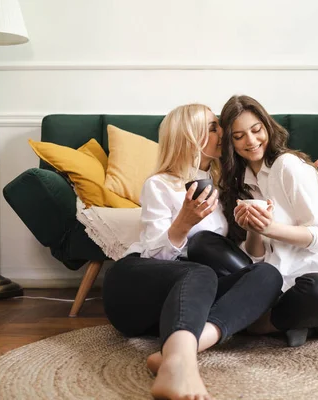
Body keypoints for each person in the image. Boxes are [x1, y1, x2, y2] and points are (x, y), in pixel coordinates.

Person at [102, 104, 283, 400]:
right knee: (199, 272)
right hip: (134, 288)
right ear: (189, 137)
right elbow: (153, 255)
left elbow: (232, 258)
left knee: (267, 274)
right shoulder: (159, 185)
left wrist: (256, 222)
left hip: (183, 305)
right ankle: (180, 365)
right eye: (212, 127)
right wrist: (183, 223)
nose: (222, 133)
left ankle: (176, 352)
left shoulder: (220, 185)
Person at [190, 95, 318, 348]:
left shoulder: (287, 166)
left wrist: (271, 228)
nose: (251, 141)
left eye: (256, 130)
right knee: (202, 243)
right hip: (275, 286)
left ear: (267, 126)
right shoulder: (241, 182)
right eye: (239, 136)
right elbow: (257, 260)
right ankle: (285, 322)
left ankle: (260, 324)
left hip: (316, 284)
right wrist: (254, 230)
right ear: (230, 143)